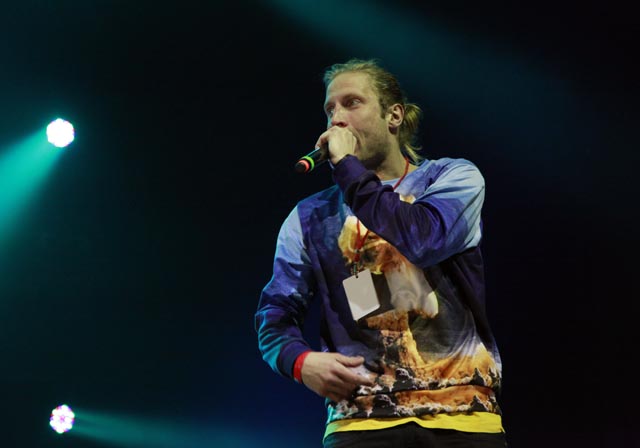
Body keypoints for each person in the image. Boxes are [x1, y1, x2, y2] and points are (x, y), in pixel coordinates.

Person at [255, 58, 507, 448]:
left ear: (394, 115)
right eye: (330, 109)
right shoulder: (309, 217)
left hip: (463, 417)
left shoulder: (452, 179)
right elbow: (275, 315)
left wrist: (347, 168)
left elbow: (423, 239)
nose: (337, 119)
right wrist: (301, 362)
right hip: (361, 424)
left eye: (352, 103)